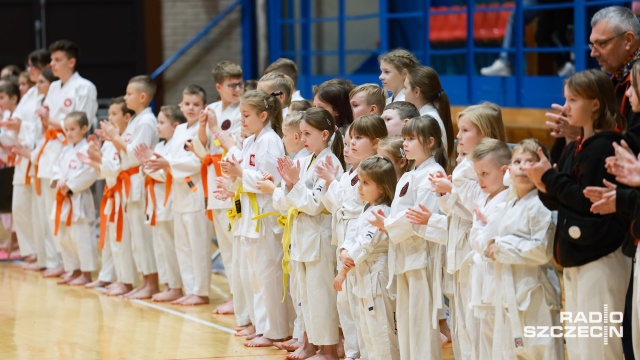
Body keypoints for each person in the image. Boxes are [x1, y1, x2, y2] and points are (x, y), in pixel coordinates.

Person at [525, 69, 631, 359]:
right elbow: (561, 199)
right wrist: (543, 183)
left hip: (602, 257)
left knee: (603, 347)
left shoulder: (605, 146)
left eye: (573, 99)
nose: (566, 107)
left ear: (595, 104)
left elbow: (589, 201)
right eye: (565, 99)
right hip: (576, 257)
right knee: (583, 346)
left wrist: (549, 179)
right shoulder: (575, 146)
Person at [429, 102, 507, 360]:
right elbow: (458, 209)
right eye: (458, 130)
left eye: (465, 130)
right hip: (461, 245)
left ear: (483, 133)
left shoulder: (486, 167)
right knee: (462, 323)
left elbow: (479, 206)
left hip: (473, 249)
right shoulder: (466, 164)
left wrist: (451, 190)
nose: (458, 136)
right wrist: (444, 193)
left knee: (475, 324)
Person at [368, 116, 447, 360]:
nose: (406, 143)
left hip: (422, 256)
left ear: (430, 141)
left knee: (421, 321)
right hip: (405, 254)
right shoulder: (409, 174)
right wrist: (389, 224)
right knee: (406, 318)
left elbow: (419, 215)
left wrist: (387, 224)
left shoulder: (434, 173)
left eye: (412, 138)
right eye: (405, 138)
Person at [220, 89, 290, 346]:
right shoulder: (250, 141)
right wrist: (230, 180)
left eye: (246, 115)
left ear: (263, 115)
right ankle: (262, 326)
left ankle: (276, 331)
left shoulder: (270, 140)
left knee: (268, 276)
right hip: (249, 216)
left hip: (267, 215)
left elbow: (270, 180)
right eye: (240, 114)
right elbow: (243, 174)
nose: (242, 120)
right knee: (255, 277)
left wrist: (241, 173)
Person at [277, 107, 345, 360]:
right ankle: (308, 344)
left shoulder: (331, 163)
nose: (302, 139)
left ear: (325, 134)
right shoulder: (305, 160)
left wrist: (294, 184)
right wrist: (289, 183)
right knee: (303, 295)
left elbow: (316, 205)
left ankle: (328, 350)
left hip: (320, 238)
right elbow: (285, 201)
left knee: (321, 296)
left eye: (308, 133)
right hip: (301, 236)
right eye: (301, 133)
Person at [318, 115, 389, 360]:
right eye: (349, 141)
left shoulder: (376, 172)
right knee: (345, 302)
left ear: (376, 142)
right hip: (345, 239)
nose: (351, 145)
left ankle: (362, 353)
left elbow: (354, 205)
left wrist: (331, 181)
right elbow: (335, 205)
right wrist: (332, 182)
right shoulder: (351, 173)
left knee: (362, 305)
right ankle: (352, 352)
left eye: (358, 139)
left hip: (362, 245)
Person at [486, 139, 563, 359]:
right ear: (509, 168)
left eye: (530, 162)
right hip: (511, 292)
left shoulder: (541, 203)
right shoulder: (511, 203)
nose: (522, 167)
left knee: (542, 353)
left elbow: (541, 250)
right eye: (518, 161)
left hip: (537, 293)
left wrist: (500, 247)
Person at [34, 39, 98, 278]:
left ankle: (83, 266)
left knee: (74, 214)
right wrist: (44, 118)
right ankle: (66, 262)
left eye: (58, 60)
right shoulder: (53, 88)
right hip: (53, 150)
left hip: (73, 151)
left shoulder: (85, 87)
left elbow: (83, 121)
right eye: (51, 60)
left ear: (71, 61)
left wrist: (53, 122)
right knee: (53, 212)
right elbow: (47, 118)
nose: (53, 64)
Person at [100, 75, 159, 299]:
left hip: (139, 180)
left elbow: (136, 154)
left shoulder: (146, 121)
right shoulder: (136, 121)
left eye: (129, 93)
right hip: (129, 182)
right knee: (136, 238)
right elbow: (123, 150)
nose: (125, 97)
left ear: (142, 97)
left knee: (143, 236)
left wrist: (115, 137)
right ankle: (145, 281)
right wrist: (113, 138)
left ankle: (152, 283)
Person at [337, 155, 400, 360]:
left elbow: (365, 245)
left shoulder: (382, 211)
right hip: (364, 277)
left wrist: (343, 270)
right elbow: (353, 236)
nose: (360, 187)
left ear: (381, 188)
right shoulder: (367, 209)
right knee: (366, 331)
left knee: (380, 332)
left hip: (377, 278)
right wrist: (344, 251)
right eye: (360, 181)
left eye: (366, 183)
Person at [86, 97, 137, 296]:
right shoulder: (109, 143)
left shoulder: (124, 141)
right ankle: (118, 278)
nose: (110, 118)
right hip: (111, 193)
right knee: (111, 240)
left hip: (123, 193)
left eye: (114, 114)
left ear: (126, 117)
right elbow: (105, 171)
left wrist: (99, 161)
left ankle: (128, 282)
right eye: (109, 114)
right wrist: (96, 160)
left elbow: (119, 169)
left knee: (123, 239)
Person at [136, 105, 186, 303]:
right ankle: (167, 284)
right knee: (160, 247)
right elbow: (150, 170)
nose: (158, 126)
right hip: (155, 203)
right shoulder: (159, 147)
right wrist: (147, 165)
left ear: (176, 125)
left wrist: (149, 165)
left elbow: (167, 174)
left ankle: (176, 286)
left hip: (169, 202)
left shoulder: (176, 145)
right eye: (157, 122)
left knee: (169, 247)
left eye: (162, 122)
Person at [467, 138, 512, 360]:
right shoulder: (486, 197)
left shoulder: (506, 201)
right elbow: (477, 238)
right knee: (481, 340)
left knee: (499, 345)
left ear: (505, 171)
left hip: (497, 283)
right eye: (477, 173)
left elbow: (482, 241)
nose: (480, 179)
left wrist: (479, 227)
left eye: (485, 173)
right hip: (481, 280)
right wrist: (480, 227)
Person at [51, 111, 98, 285]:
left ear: (84, 128)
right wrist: (59, 182)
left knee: (82, 238)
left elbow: (90, 172)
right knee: (66, 237)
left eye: (73, 129)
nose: (69, 133)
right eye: (67, 129)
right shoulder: (65, 150)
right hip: (63, 199)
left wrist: (69, 187)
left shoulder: (88, 149)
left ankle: (86, 274)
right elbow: (56, 169)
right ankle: (74, 270)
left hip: (79, 198)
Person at [403, 66, 454, 157]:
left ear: (416, 92)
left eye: (405, 88)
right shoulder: (428, 114)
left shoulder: (428, 119)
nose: (404, 92)